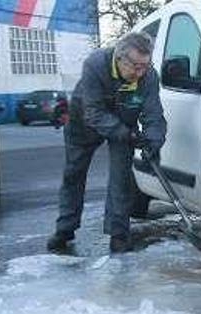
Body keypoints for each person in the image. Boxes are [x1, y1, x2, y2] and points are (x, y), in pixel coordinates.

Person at [46, 32, 166, 254]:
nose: (140, 73)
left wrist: (153, 142)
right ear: (119, 58)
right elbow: (94, 113)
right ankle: (65, 228)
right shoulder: (95, 65)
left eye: (145, 66)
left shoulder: (148, 76)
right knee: (74, 173)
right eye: (135, 66)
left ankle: (118, 234)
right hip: (85, 121)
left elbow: (154, 115)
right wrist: (126, 134)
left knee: (121, 178)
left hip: (124, 122)